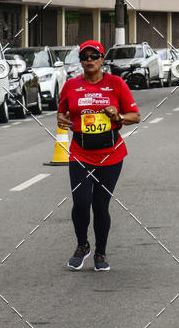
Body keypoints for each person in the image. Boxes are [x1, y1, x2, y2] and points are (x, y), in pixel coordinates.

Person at [58, 40, 140, 272]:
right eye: (85, 56)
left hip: (110, 155)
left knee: (100, 205)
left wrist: (118, 116)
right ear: (81, 60)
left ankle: (100, 253)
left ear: (103, 59)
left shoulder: (116, 84)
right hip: (80, 153)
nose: (90, 60)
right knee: (81, 202)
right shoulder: (71, 86)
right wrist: (64, 121)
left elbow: (135, 116)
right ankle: (82, 245)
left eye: (95, 56)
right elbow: (61, 115)